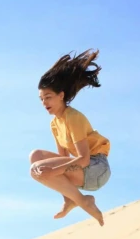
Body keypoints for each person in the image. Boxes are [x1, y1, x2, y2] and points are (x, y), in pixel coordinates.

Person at [30, 49, 111, 226]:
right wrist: (54, 171)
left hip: (97, 168)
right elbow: (63, 159)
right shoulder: (54, 123)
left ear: (61, 95)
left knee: (39, 169)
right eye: (41, 99)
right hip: (85, 170)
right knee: (35, 157)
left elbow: (83, 159)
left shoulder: (72, 117)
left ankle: (83, 201)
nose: (44, 103)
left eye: (48, 97)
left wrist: (54, 171)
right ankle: (70, 199)